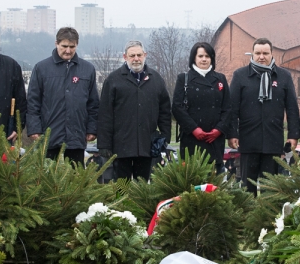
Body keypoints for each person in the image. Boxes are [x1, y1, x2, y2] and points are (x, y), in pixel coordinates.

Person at [228, 38, 299, 194]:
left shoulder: (284, 76)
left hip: (273, 140)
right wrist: (232, 133)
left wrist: (293, 135)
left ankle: (269, 218)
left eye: (265, 53)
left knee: (271, 188)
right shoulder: (240, 76)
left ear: (271, 54)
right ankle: (248, 217)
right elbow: (232, 108)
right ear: (252, 54)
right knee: (247, 187)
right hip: (248, 140)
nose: (261, 57)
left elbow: (292, 108)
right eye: (258, 53)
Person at [98, 40, 171, 181]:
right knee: (121, 188)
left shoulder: (156, 80)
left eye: (139, 55)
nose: (136, 59)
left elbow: (165, 111)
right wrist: (104, 144)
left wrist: (165, 137)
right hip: (120, 146)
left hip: (147, 146)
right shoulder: (113, 80)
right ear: (125, 57)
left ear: (145, 55)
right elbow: (105, 114)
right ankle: (121, 204)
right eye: (132, 56)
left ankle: (140, 204)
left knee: (142, 188)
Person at [27, 27, 99, 166]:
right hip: (48, 135)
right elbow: (33, 101)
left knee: (75, 178)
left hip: (76, 135)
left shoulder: (87, 69)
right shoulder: (41, 68)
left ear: (77, 45)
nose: (68, 51)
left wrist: (92, 128)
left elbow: (93, 103)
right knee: (46, 177)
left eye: (72, 47)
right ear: (56, 43)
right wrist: (34, 128)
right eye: (64, 46)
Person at [172, 42, 231, 172]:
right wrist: (194, 129)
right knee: (192, 181)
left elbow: (227, 108)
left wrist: (219, 130)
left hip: (214, 140)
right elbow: (177, 107)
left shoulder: (220, 79)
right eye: (200, 56)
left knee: (214, 183)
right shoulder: (184, 79)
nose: (204, 59)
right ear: (194, 58)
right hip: (191, 139)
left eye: (207, 56)